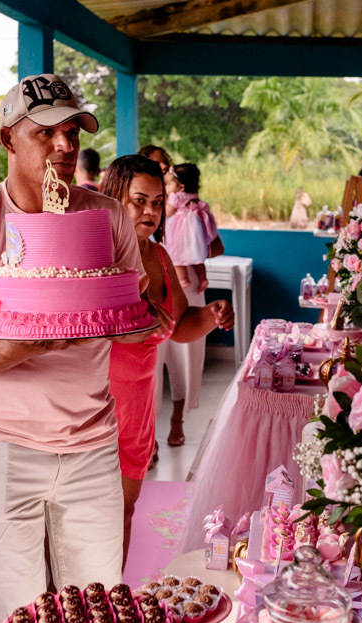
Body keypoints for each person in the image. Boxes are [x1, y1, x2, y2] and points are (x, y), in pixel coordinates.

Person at [0, 74, 150, 623]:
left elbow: (132, 318)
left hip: (91, 440)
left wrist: (130, 311)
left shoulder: (106, 218)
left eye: (71, 131)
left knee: (96, 607)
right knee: (9, 616)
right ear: (7, 139)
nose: (63, 145)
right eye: (44, 131)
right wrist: (35, 335)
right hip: (0, 442)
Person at [100, 156, 234, 565]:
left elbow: (177, 324)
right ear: (113, 200)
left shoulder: (158, 256)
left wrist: (210, 316)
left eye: (158, 202)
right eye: (139, 201)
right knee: (90, 523)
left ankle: (110, 606)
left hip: (140, 409)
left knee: (124, 514)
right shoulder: (95, 257)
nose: (150, 212)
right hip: (96, 410)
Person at [158, 163, 224, 447]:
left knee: (185, 355)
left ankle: (177, 420)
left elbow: (217, 247)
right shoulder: (147, 210)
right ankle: (146, 434)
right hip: (157, 278)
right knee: (149, 361)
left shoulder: (182, 207)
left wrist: (195, 232)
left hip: (188, 283)